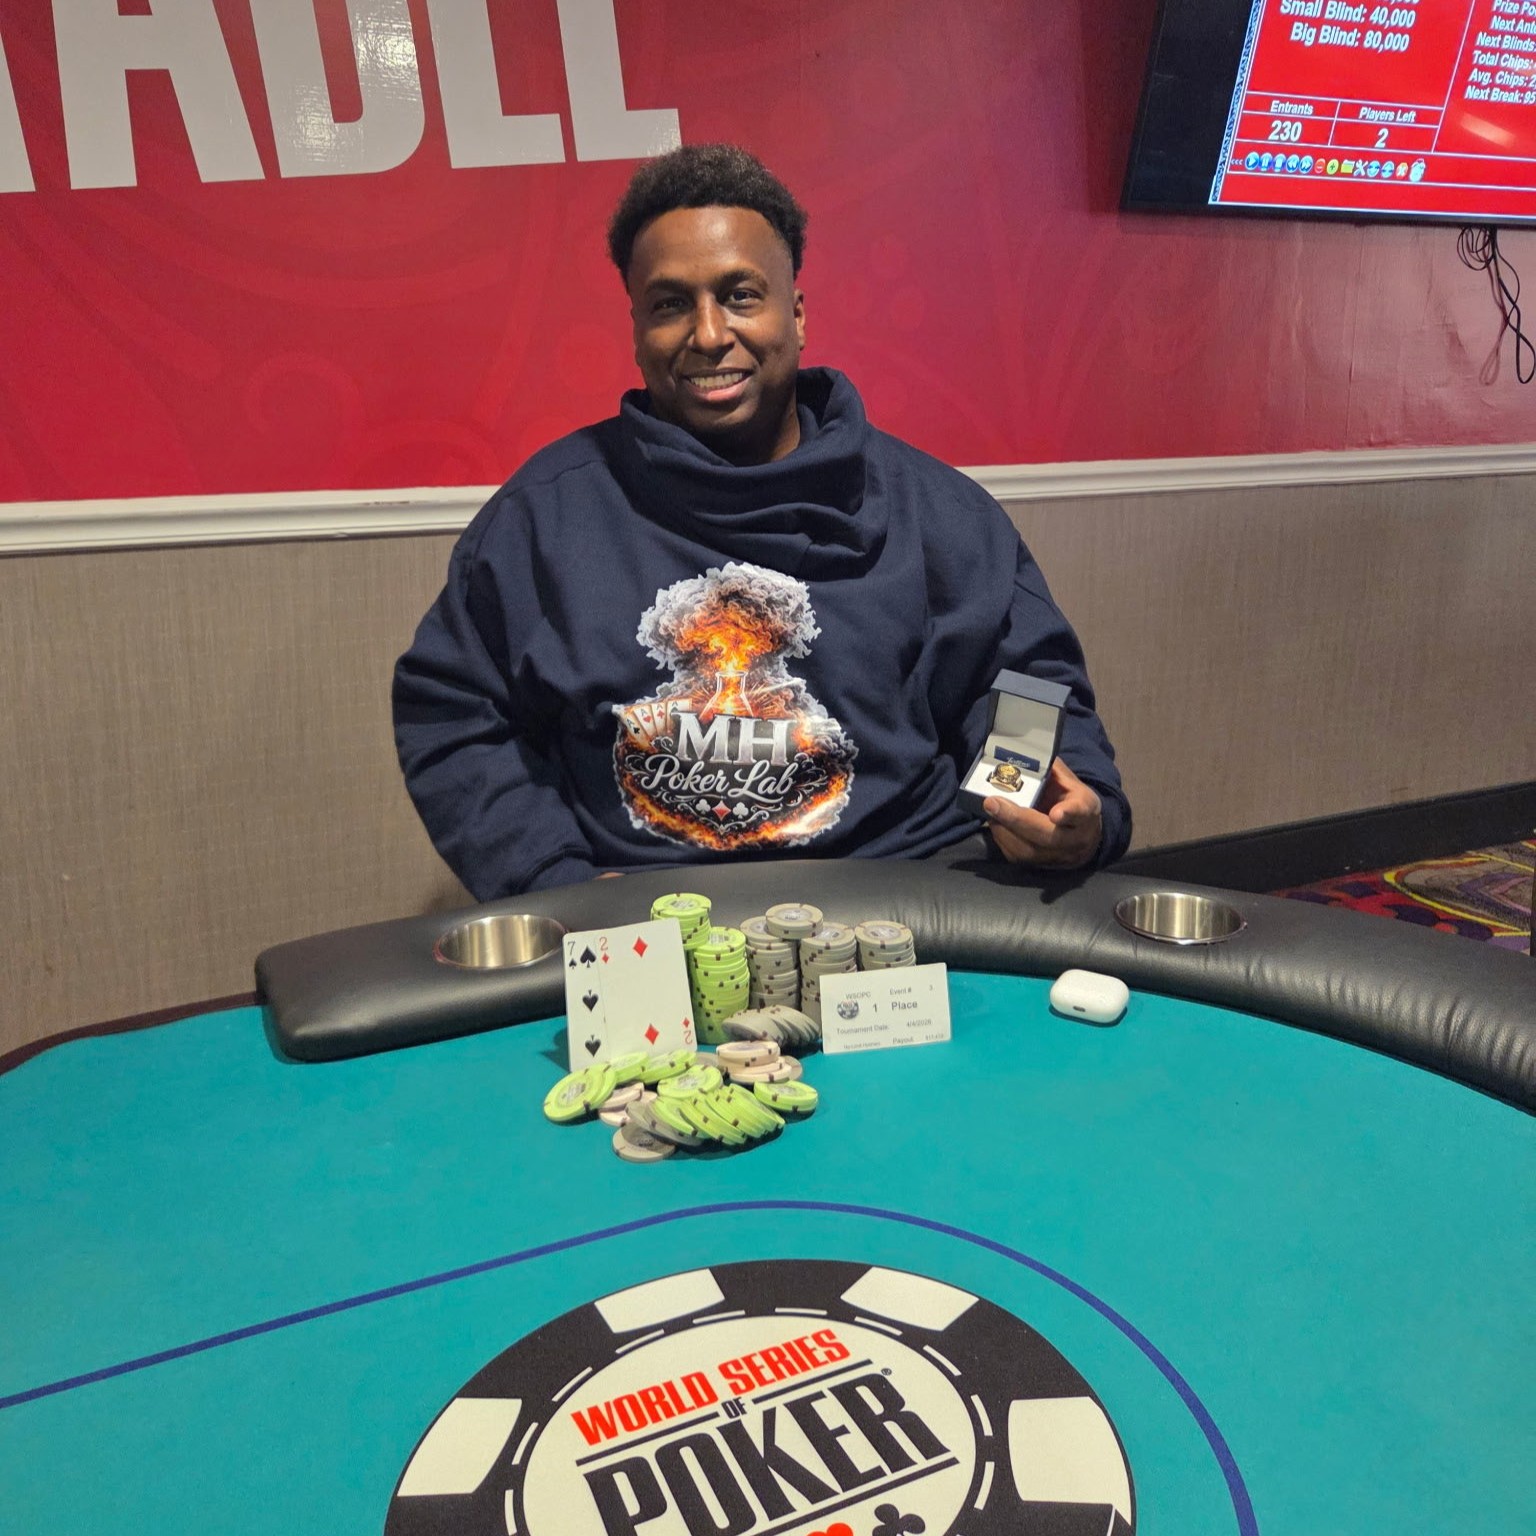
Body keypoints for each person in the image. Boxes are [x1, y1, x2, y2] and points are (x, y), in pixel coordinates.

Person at [393, 144, 1130, 899]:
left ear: (797, 314)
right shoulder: (542, 521)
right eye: (670, 304)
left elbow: (1023, 682)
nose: (710, 334)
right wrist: (555, 880)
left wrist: (1036, 805)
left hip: (908, 896)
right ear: (637, 328)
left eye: (741, 295)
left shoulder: (939, 513)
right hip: (645, 916)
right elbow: (455, 711)